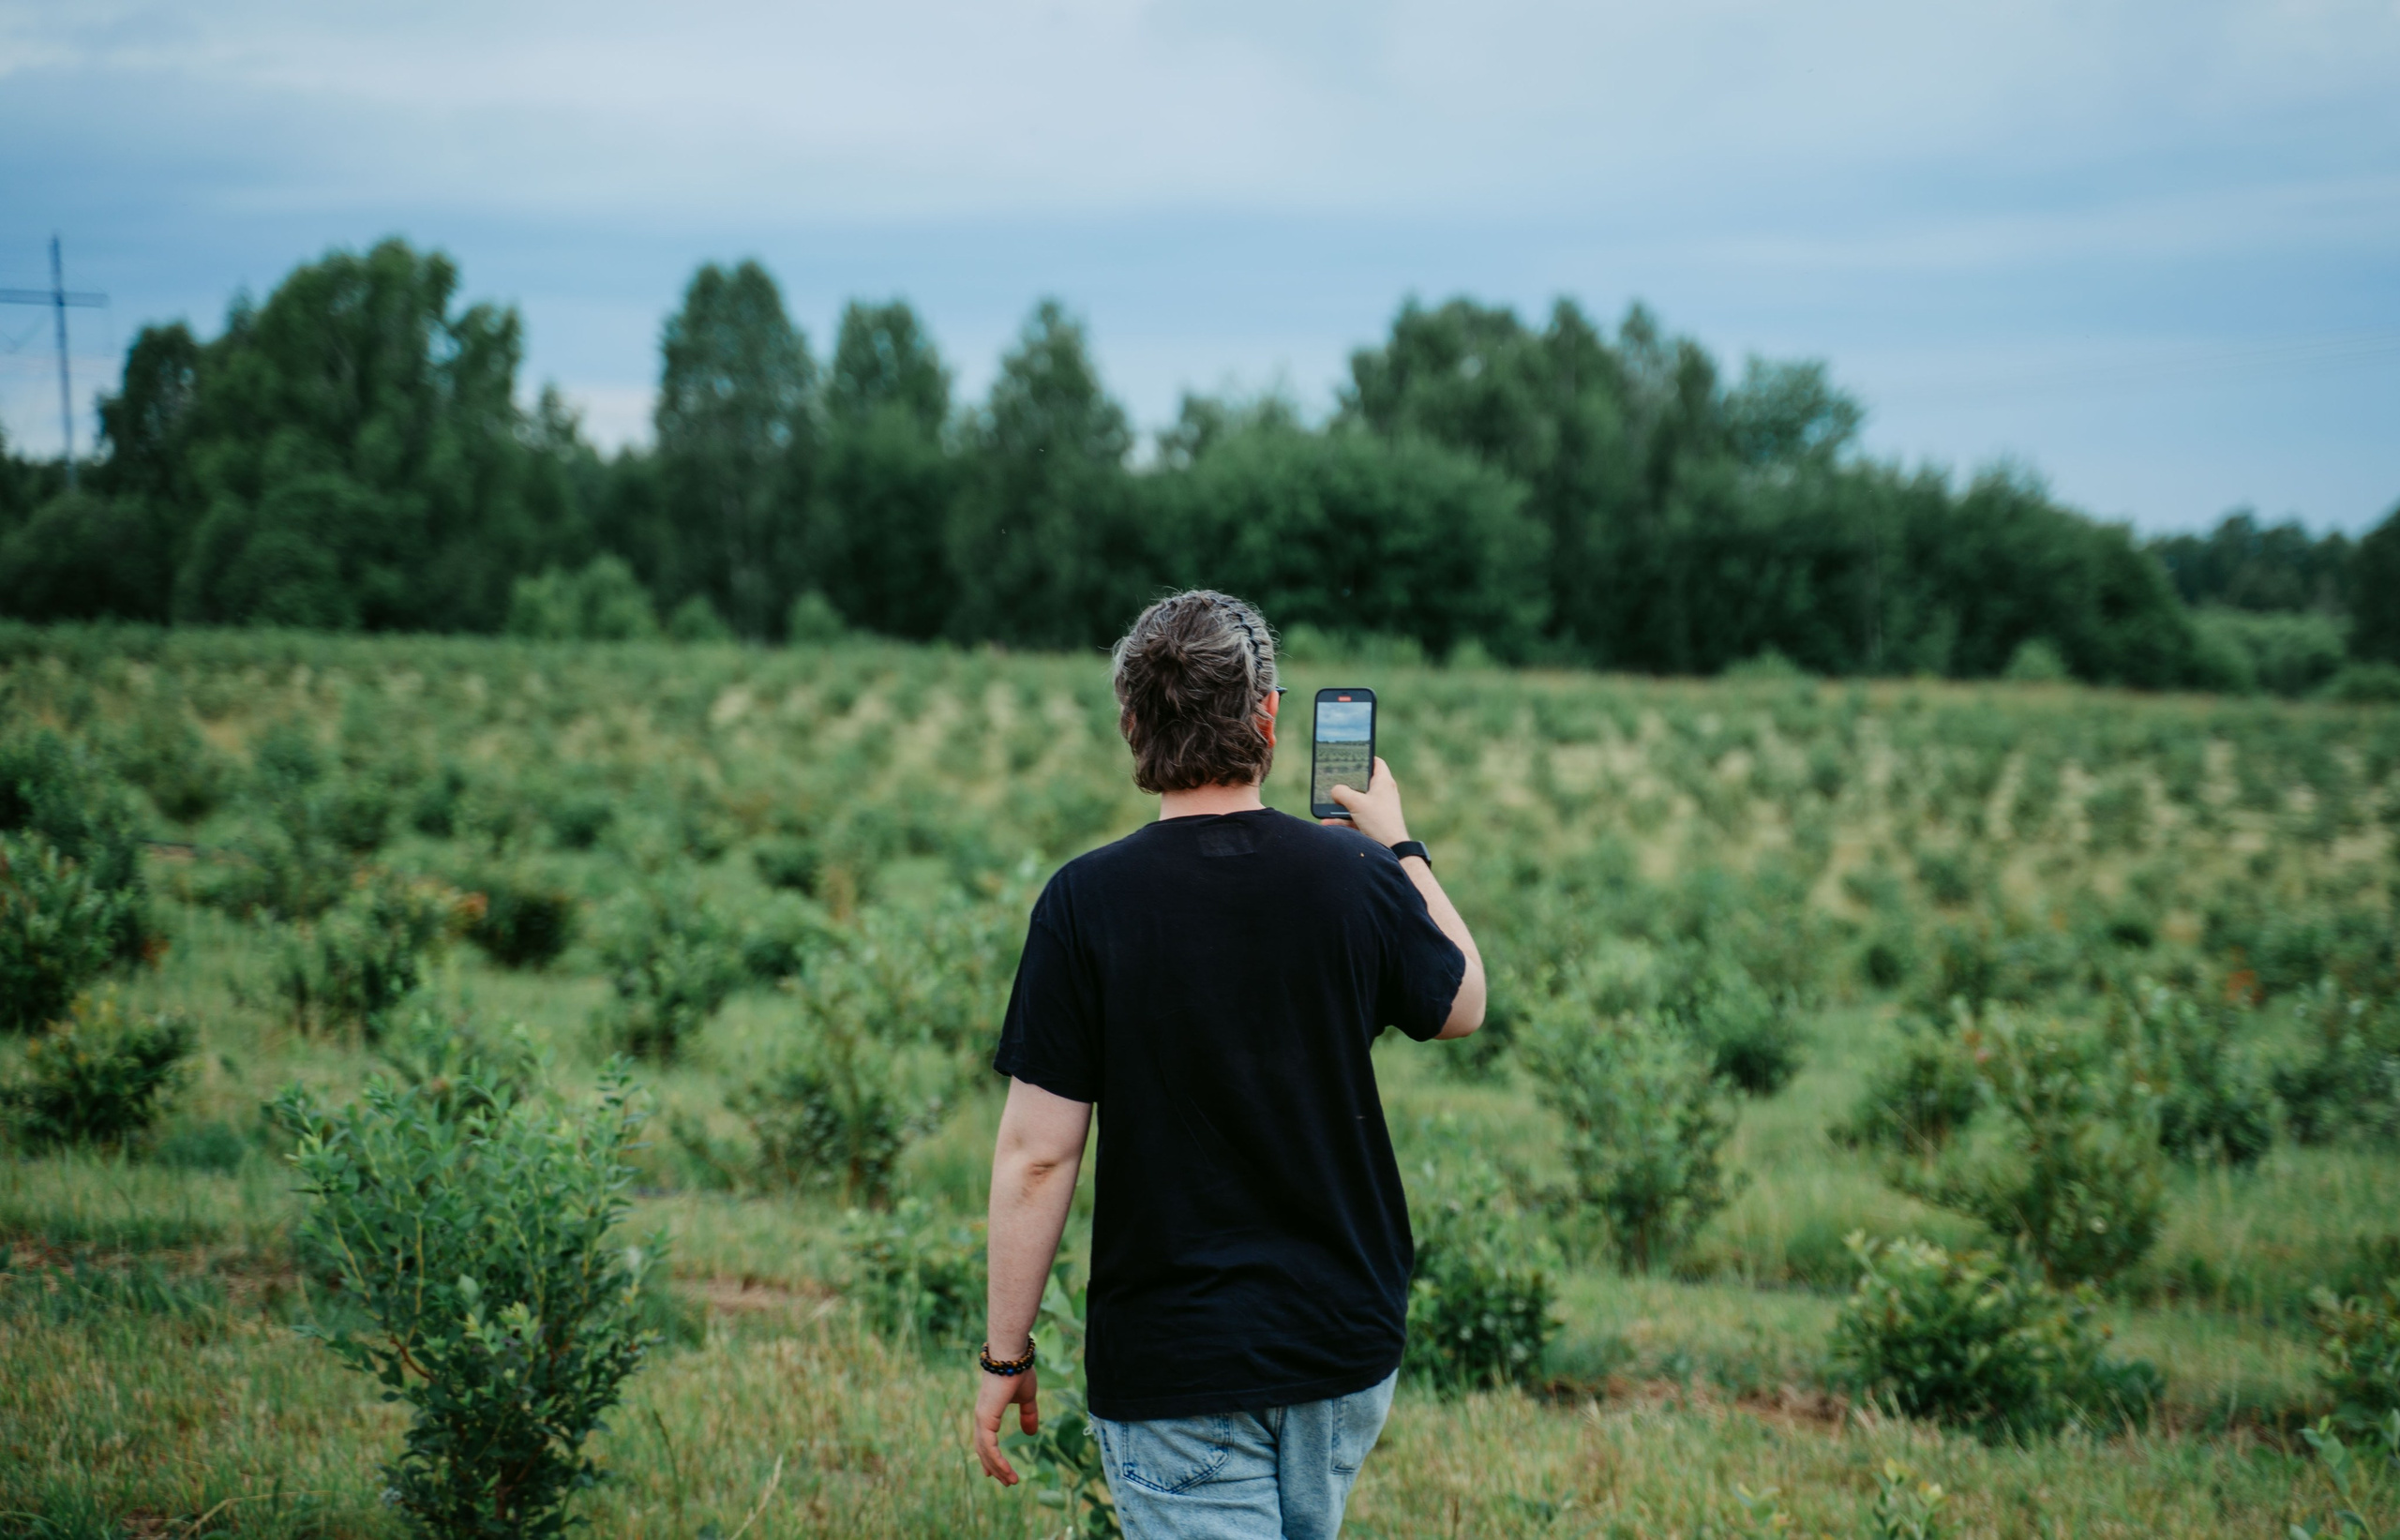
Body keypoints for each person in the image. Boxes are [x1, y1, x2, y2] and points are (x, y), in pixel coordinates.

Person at [971, 590, 1487, 1540]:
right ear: (1269, 716)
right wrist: (1399, 843)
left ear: (1131, 720)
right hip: (1340, 1349)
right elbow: (1464, 1001)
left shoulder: (1085, 902)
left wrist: (1006, 1355)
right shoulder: (1355, 880)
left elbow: (1038, 1154)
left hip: (1178, 1364)